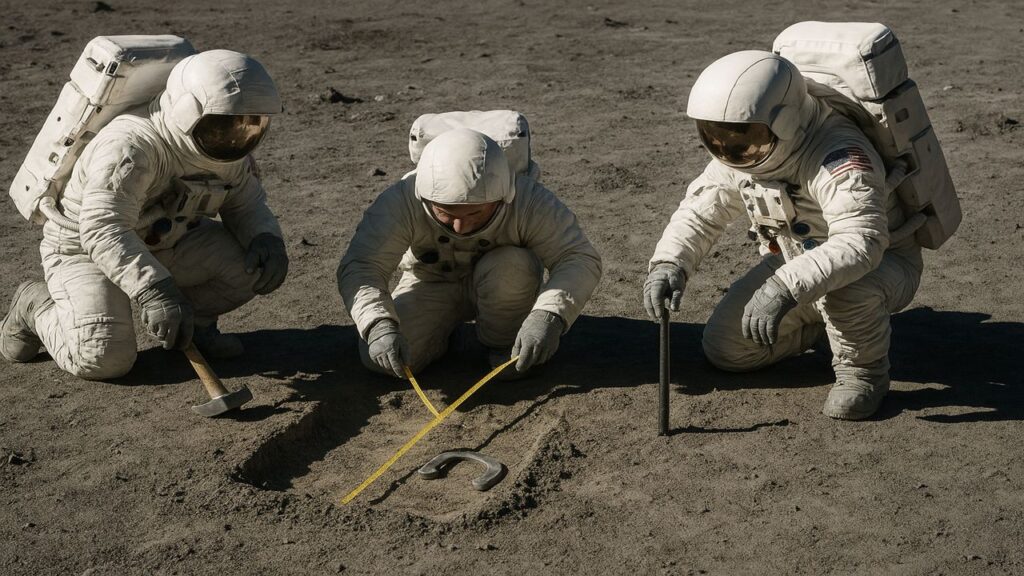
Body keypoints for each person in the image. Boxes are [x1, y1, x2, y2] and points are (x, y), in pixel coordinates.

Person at [644, 50, 923, 420]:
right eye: (715, 135)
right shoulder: (742, 151)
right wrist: (670, 262)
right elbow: (701, 210)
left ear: (786, 122)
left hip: (884, 266)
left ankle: (864, 373)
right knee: (728, 350)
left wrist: (783, 287)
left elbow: (862, 242)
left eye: (742, 136)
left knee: (846, 290)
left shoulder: (839, 155)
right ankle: (823, 328)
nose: (729, 147)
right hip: (797, 264)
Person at [0, 49, 289, 380]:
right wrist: (154, 289)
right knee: (104, 357)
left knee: (253, 268)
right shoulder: (131, 146)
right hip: (83, 250)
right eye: (225, 126)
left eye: (250, 125)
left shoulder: (228, 154)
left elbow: (245, 203)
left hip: (167, 240)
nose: (237, 136)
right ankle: (35, 306)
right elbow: (104, 229)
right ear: (187, 111)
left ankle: (193, 323)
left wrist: (265, 237)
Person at [338, 128, 602, 380]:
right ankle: (443, 335)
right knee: (385, 360)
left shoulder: (529, 200)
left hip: (504, 281)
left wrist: (549, 317)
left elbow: (576, 257)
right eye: (446, 213)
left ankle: (505, 344)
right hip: (431, 282)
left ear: (502, 197)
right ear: (425, 198)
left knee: (512, 268)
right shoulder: (401, 200)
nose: (459, 227)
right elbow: (364, 264)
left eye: (475, 213)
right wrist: (378, 325)